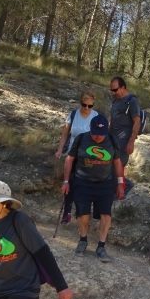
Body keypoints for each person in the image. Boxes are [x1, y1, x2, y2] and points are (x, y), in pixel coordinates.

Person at [62, 115, 126, 261]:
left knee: (106, 214)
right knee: (83, 213)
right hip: (83, 181)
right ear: (90, 128)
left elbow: (117, 163)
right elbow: (69, 159)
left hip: (105, 183)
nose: (98, 137)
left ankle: (101, 246)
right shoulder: (81, 139)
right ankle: (83, 241)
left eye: (101, 134)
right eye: (95, 134)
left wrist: (120, 183)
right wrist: (66, 181)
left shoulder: (112, 140)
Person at [54, 91, 98, 224]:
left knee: (82, 184)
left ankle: (81, 212)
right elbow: (65, 134)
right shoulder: (73, 115)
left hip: (88, 156)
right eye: (84, 105)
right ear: (80, 102)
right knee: (69, 182)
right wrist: (60, 150)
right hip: (73, 154)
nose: (86, 108)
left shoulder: (96, 117)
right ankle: (66, 212)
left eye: (90, 106)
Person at [109, 77, 139, 196]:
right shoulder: (116, 101)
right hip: (112, 137)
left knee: (118, 164)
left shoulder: (131, 100)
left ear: (123, 87)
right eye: (111, 90)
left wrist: (131, 142)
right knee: (109, 163)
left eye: (115, 90)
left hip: (124, 138)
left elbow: (137, 121)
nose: (113, 93)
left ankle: (124, 188)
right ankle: (118, 188)